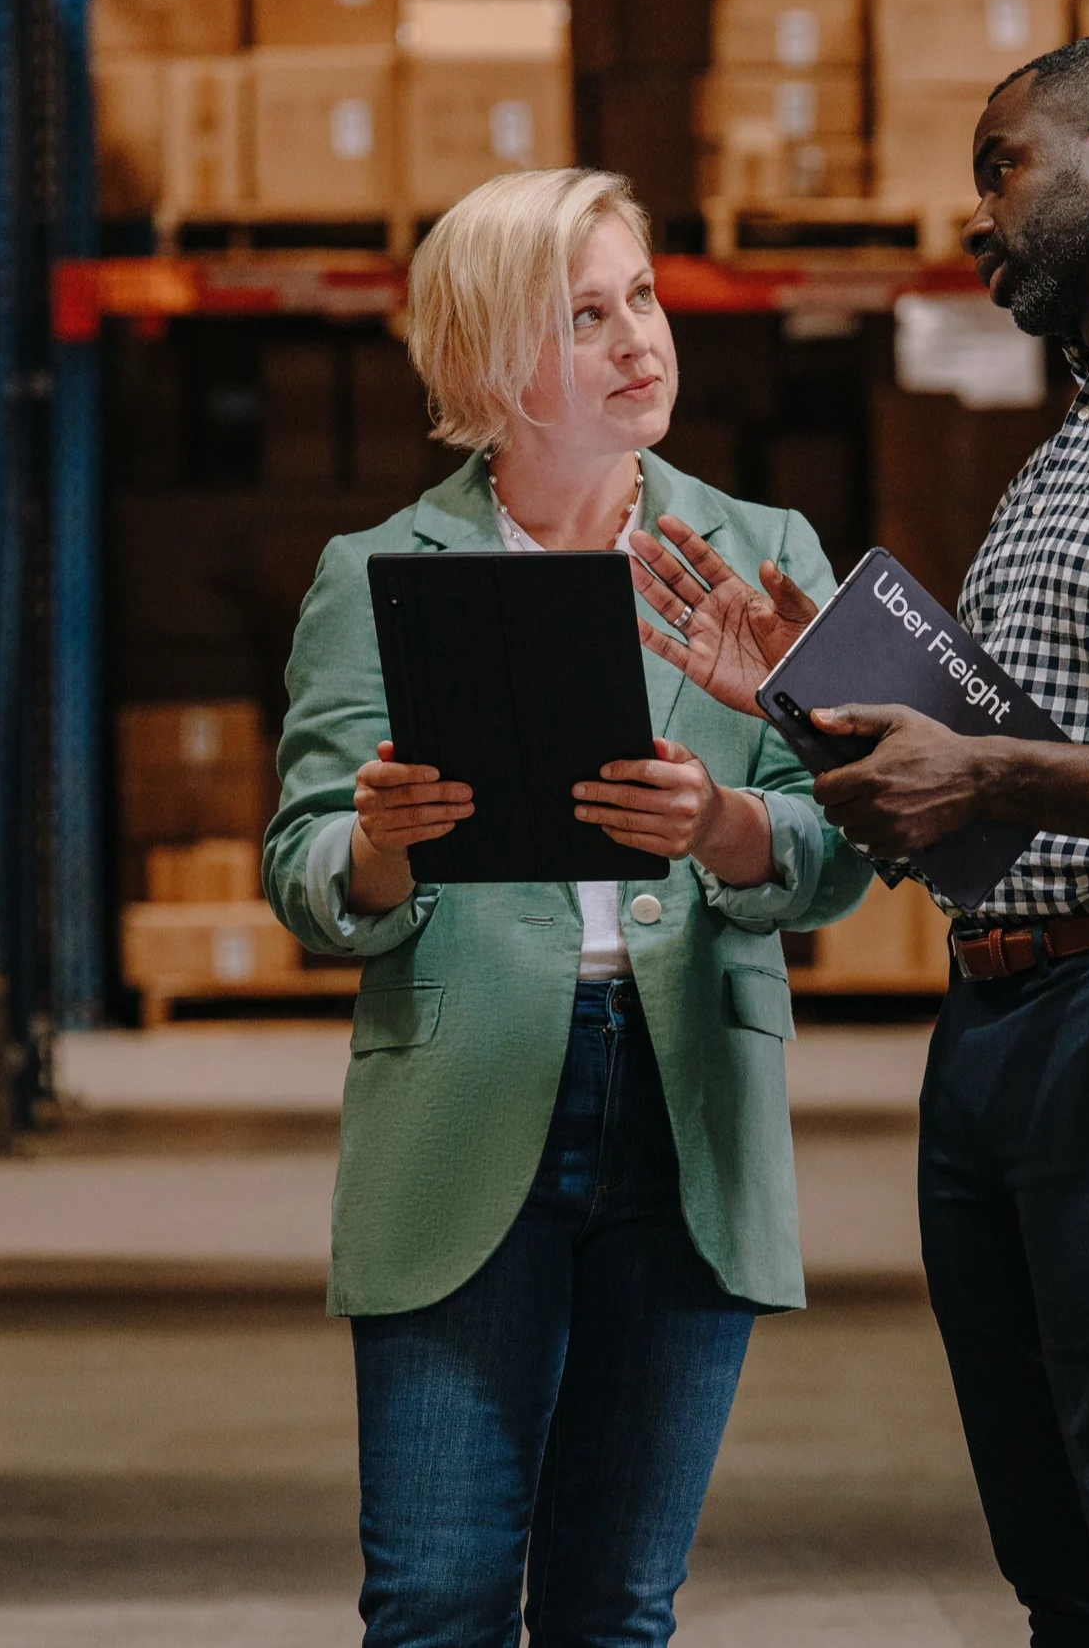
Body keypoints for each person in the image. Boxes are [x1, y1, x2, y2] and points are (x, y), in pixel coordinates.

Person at [637, 30, 1089, 1648]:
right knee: (1065, 1560)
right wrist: (811, 700)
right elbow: (985, 783)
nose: (975, 213)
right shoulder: (1086, 436)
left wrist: (986, 780)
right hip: (1012, 1015)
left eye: (1001, 167)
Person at [262, 166, 869, 1648]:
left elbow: (849, 839)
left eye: (642, 299)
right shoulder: (380, 574)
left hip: (687, 1104)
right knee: (435, 1597)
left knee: (616, 1609)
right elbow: (304, 861)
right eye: (582, 316)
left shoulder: (766, 552)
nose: (637, 340)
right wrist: (382, 844)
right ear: (486, 366)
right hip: (466, 1102)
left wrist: (725, 825)